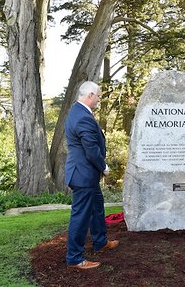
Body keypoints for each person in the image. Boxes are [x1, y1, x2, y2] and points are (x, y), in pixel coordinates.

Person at [65, 81, 119, 269]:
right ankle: (75, 258)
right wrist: (103, 167)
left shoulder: (77, 113)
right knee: (80, 217)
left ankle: (100, 241)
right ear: (89, 95)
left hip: (85, 174)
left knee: (97, 208)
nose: (98, 99)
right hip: (83, 175)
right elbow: (91, 149)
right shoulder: (82, 117)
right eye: (97, 96)